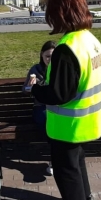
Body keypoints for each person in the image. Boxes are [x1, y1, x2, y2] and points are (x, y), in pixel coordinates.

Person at [31, 0, 101, 200]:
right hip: (88, 118)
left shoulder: (66, 48)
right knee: (77, 161)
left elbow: (59, 94)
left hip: (68, 123)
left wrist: (36, 90)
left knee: (65, 167)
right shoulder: (90, 40)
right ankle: (86, 197)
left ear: (61, 13)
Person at [24, 40, 56, 176]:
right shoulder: (35, 70)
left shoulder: (60, 69)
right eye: (47, 56)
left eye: (53, 56)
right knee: (47, 120)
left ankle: (54, 158)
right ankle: (53, 158)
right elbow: (25, 89)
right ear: (42, 56)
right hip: (41, 107)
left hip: (56, 106)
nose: (50, 59)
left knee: (56, 122)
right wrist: (30, 87)